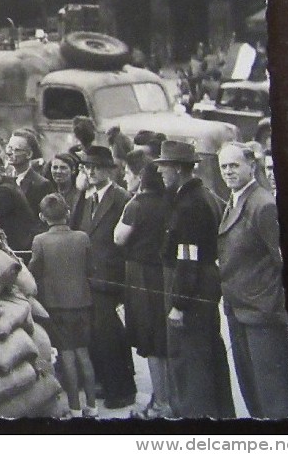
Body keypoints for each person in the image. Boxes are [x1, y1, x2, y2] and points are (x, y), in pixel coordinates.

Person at [216, 142, 288, 419]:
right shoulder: (236, 198)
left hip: (262, 314)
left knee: (273, 395)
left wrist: (271, 304)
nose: (228, 171)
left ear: (251, 165)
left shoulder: (263, 205)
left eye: (234, 165)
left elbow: (285, 263)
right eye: (224, 166)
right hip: (240, 310)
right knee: (252, 391)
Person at [155, 140, 234, 419]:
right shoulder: (206, 195)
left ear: (177, 168)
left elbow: (187, 259)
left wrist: (178, 303)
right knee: (209, 353)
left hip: (192, 286)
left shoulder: (188, 205)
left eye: (164, 166)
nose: (160, 172)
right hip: (205, 283)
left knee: (190, 360)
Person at [70, 145, 137, 410]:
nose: (91, 171)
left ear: (109, 170)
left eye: (96, 167)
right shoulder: (84, 197)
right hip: (88, 275)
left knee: (110, 334)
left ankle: (122, 388)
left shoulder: (121, 198)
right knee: (95, 334)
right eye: (87, 167)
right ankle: (105, 382)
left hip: (110, 277)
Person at [114, 154, 173, 420]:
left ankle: (161, 401)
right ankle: (166, 396)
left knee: (150, 339)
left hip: (140, 275)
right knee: (163, 336)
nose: (126, 177)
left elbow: (119, 237)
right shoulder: (169, 201)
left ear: (140, 177)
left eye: (128, 172)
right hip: (164, 274)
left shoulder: (135, 205)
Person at [30, 193, 98, 419]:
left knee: (67, 356)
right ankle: (92, 406)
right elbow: (91, 269)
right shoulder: (82, 237)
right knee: (84, 354)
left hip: (56, 306)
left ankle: (75, 408)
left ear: (42, 217)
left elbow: (33, 273)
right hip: (82, 303)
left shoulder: (40, 241)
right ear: (68, 213)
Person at [7, 131, 52, 211]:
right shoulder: (4, 178)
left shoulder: (41, 184)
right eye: (9, 148)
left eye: (16, 150)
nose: (9, 153)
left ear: (29, 154)